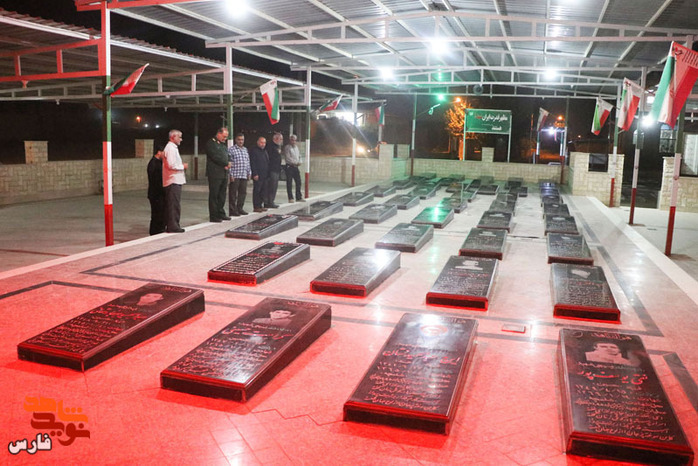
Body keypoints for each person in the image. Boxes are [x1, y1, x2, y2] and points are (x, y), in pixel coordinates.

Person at [162, 129, 187, 233]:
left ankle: (174, 224)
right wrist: (183, 166)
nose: (181, 139)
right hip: (172, 181)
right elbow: (171, 165)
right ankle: (173, 226)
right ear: (173, 137)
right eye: (179, 137)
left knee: (175, 204)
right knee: (173, 204)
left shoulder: (172, 148)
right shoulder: (170, 148)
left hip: (175, 180)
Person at [205, 127, 232, 222]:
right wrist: (226, 163)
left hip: (223, 173)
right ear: (219, 134)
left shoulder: (223, 145)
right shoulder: (211, 143)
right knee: (214, 195)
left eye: (226, 137)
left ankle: (221, 213)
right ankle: (214, 215)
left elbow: (228, 155)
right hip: (215, 173)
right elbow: (215, 156)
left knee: (222, 195)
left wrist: (229, 162)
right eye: (224, 136)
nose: (225, 138)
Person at [227, 133, 251, 216]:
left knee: (243, 193)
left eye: (242, 140)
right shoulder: (231, 150)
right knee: (233, 194)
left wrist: (249, 172)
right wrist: (231, 175)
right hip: (235, 175)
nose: (241, 141)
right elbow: (229, 163)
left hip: (243, 175)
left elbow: (247, 162)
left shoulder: (245, 150)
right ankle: (232, 210)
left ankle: (240, 208)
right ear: (236, 140)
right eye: (239, 140)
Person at [147, 145, 166, 235]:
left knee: (161, 212)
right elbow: (155, 179)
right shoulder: (154, 163)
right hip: (155, 193)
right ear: (159, 152)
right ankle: (155, 231)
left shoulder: (159, 162)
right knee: (156, 213)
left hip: (159, 193)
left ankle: (160, 229)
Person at [249, 137, 270, 213]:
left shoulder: (264, 151)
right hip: (258, 175)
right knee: (257, 191)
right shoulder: (254, 151)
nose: (263, 144)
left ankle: (260, 205)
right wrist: (255, 173)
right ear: (258, 142)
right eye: (261, 142)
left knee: (263, 191)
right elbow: (253, 163)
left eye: (264, 143)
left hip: (264, 175)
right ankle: (256, 206)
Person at [283, 134, 304, 202]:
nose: (294, 141)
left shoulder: (296, 148)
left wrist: (300, 162)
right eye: (292, 140)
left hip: (295, 167)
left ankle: (298, 197)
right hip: (290, 167)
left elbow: (299, 156)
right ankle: (290, 198)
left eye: (295, 140)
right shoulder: (287, 147)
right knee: (289, 183)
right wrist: (296, 162)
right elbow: (288, 158)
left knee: (298, 182)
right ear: (290, 140)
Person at [265, 132, 283, 208]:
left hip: (277, 169)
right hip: (272, 169)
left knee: (274, 186)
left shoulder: (278, 147)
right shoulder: (270, 146)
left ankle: (271, 201)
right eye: (280, 139)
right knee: (271, 186)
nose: (281, 140)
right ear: (275, 139)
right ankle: (269, 202)